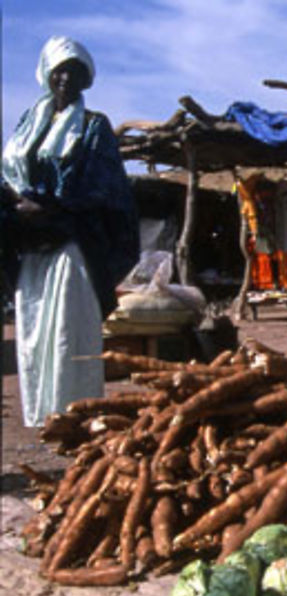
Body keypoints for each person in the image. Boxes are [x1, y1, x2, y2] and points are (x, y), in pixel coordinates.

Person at [1, 37, 139, 427]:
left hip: (71, 245)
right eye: (60, 70)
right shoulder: (29, 122)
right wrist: (16, 204)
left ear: (86, 79)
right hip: (31, 245)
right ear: (47, 73)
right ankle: (45, 419)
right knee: (32, 334)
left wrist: (51, 208)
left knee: (67, 335)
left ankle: (78, 418)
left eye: (75, 72)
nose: (66, 78)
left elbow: (103, 186)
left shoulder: (94, 127)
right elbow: (10, 172)